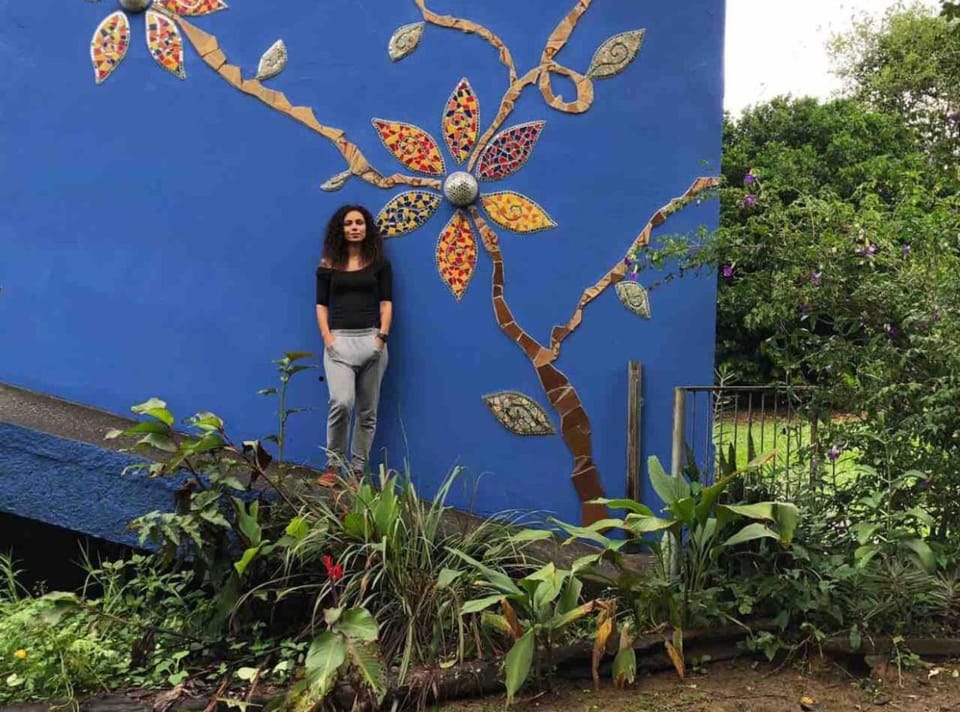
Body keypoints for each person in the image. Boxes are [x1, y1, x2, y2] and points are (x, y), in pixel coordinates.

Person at [315, 205, 392, 484]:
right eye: (349, 223)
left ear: (367, 228)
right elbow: (321, 306)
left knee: (367, 411)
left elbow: (386, 303)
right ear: (341, 229)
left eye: (359, 222)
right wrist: (328, 338)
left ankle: (357, 470)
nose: (355, 227)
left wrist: (381, 338)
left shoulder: (380, 264)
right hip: (339, 344)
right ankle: (333, 465)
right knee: (342, 402)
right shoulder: (327, 265)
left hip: (372, 342)